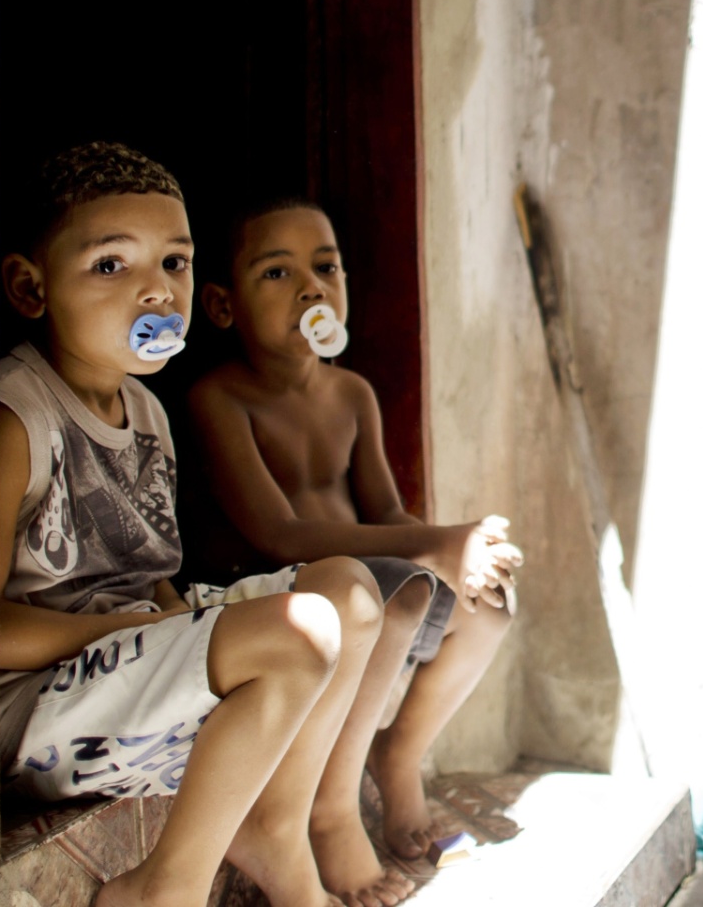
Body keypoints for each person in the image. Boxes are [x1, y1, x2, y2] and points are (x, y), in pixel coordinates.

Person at [0, 142, 423, 907]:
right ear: (29, 288)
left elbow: (146, 572)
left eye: (175, 264)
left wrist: (162, 620)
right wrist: (140, 630)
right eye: (110, 265)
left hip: (128, 669)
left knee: (350, 593)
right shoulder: (15, 418)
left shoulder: (149, 412)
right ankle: (166, 888)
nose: (157, 292)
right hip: (40, 711)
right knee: (300, 632)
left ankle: (274, 828)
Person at [185, 197, 521, 866]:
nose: (311, 287)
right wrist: (438, 542)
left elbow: (387, 514)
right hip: (274, 590)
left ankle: (398, 755)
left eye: (326, 268)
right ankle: (330, 811)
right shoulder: (218, 399)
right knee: (402, 596)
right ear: (223, 306)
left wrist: (455, 550)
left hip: (373, 580)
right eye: (277, 274)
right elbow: (276, 533)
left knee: (491, 604)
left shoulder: (353, 395)